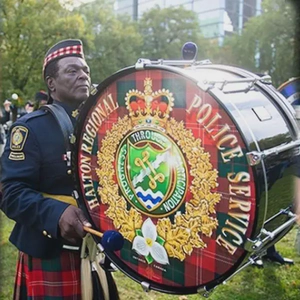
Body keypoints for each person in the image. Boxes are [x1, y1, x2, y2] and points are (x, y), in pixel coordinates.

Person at [0, 39, 101, 299]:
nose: (83, 76)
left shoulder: (100, 127)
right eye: (72, 71)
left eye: (85, 70)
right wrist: (56, 214)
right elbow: (10, 192)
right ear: (51, 83)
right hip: (50, 254)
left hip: (95, 254)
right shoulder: (30, 128)